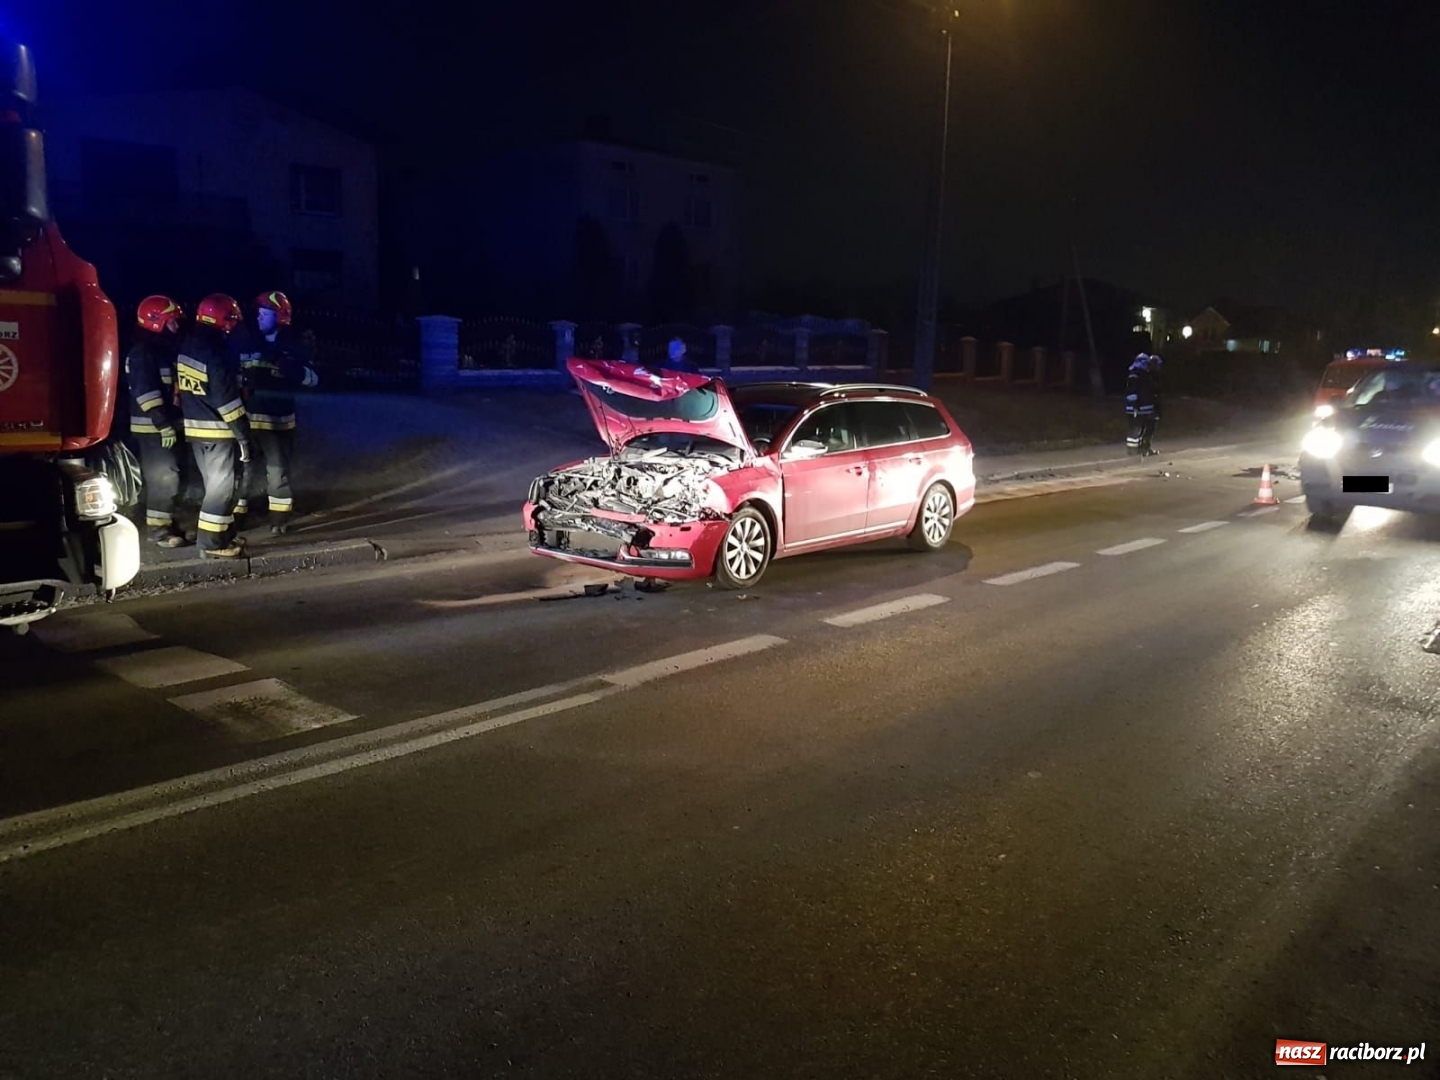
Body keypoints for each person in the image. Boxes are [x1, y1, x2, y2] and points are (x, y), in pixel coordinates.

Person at [229, 290, 318, 534]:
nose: (259, 317)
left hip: (278, 422)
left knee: (278, 471)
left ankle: (279, 519)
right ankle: (238, 514)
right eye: (258, 313)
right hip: (249, 421)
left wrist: (289, 367)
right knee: (244, 469)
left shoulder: (293, 347)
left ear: (280, 316)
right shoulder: (249, 343)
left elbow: (313, 379)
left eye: (265, 314)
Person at [178, 294, 250, 557]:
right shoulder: (215, 353)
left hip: (196, 431)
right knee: (222, 490)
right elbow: (227, 400)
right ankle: (211, 544)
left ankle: (224, 535)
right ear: (225, 320)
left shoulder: (188, 347)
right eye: (232, 320)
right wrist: (243, 434)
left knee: (216, 487)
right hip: (218, 431)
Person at [125, 295, 188, 546]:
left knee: (176, 477)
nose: (176, 326)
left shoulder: (161, 351)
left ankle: (168, 524)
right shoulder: (142, 354)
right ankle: (159, 532)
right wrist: (163, 425)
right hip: (153, 428)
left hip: (167, 426)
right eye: (171, 321)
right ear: (156, 322)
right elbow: (146, 393)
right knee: (165, 478)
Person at [1125, 353, 1161, 456]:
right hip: (1139, 408)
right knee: (1137, 428)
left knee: (1147, 427)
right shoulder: (1136, 375)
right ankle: (1134, 450)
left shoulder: (1144, 375)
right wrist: (1135, 405)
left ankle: (1142, 449)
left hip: (1144, 408)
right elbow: (1132, 392)